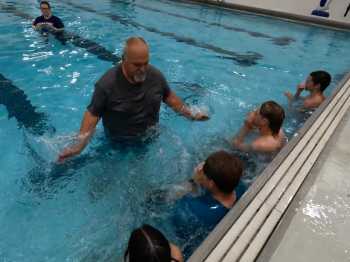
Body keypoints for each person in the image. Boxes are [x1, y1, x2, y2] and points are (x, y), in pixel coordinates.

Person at [57, 37, 209, 163]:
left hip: (150, 136)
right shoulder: (107, 86)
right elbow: (92, 115)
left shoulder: (155, 76)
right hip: (116, 141)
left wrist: (191, 115)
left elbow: (169, 96)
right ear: (124, 59)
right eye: (137, 65)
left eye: (146, 63)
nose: (143, 69)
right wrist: (79, 146)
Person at [181, 150, 247, 226]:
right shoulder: (240, 186)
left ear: (211, 183)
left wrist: (193, 181)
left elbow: (171, 197)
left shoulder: (194, 210)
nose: (201, 172)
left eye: (203, 172)